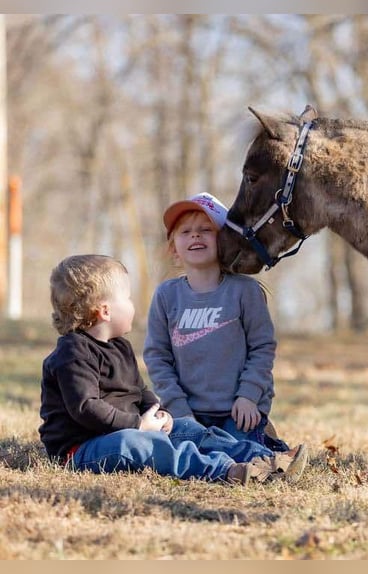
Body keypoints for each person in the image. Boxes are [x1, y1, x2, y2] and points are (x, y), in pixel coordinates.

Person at [38, 254, 307, 485]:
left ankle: (263, 458)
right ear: (105, 311)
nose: (133, 305)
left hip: (130, 429)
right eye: (128, 298)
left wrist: (158, 413)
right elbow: (86, 408)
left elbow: (138, 391)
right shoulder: (72, 353)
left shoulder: (119, 346)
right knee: (142, 445)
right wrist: (138, 425)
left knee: (189, 429)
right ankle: (227, 471)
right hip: (84, 448)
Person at [143, 192, 291, 453]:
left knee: (230, 448)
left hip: (239, 409)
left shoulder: (245, 292)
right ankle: (260, 451)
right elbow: (157, 357)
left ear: (224, 240)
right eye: (185, 231)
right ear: (173, 247)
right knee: (187, 448)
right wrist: (178, 410)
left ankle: (263, 443)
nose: (195, 236)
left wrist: (248, 396)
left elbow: (262, 349)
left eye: (205, 230)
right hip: (188, 412)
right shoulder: (166, 295)